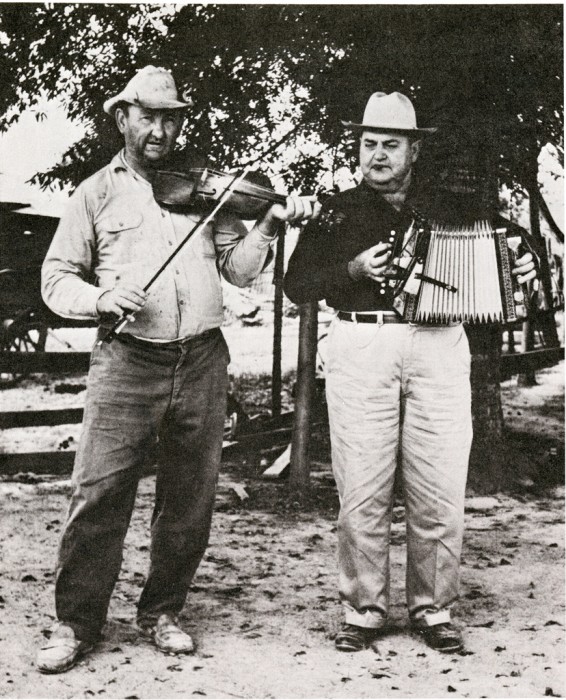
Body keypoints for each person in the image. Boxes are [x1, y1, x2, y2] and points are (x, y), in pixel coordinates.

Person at [37, 65, 320, 674]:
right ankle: (76, 622)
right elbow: (56, 278)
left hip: (201, 359)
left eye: (172, 118)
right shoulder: (94, 193)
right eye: (150, 116)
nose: (162, 130)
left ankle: (162, 612)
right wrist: (101, 300)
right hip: (127, 361)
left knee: (189, 497)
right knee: (99, 493)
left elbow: (239, 272)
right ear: (123, 118)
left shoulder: (204, 190)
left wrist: (269, 223)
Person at [284, 91, 536, 654]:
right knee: (362, 485)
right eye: (367, 143)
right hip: (362, 340)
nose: (375, 155)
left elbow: (513, 249)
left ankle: (433, 608)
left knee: (440, 485)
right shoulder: (337, 209)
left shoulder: (455, 206)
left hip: (440, 343)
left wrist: (523, 260)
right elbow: (297, 284)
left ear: (414, 150)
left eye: (389, 144)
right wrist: (349, 268)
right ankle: (365, 610)